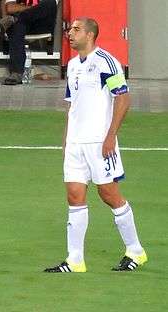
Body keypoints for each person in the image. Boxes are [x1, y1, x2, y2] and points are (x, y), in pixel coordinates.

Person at [44, 17, 147, 273]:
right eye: (70, 29)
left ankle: (135, 250)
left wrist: (111, 135)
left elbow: (123, 99)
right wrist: (67, 140)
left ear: (90, 35)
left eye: (76, 29)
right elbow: (72, 104)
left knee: (109, 194)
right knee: (74, 196)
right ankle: (75, 260)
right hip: (76, 144)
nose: (70, 33)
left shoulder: (105, 62)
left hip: (99, 143)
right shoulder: (72, 65)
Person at [0, 0, 57, 85]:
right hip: (22, 24)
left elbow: (48, 9)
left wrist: (23, 10)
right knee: (16, 26)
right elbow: (10, 8)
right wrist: (35, 9)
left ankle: (16, 18)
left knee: (50, 3)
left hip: (41, 24)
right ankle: (16, 73)